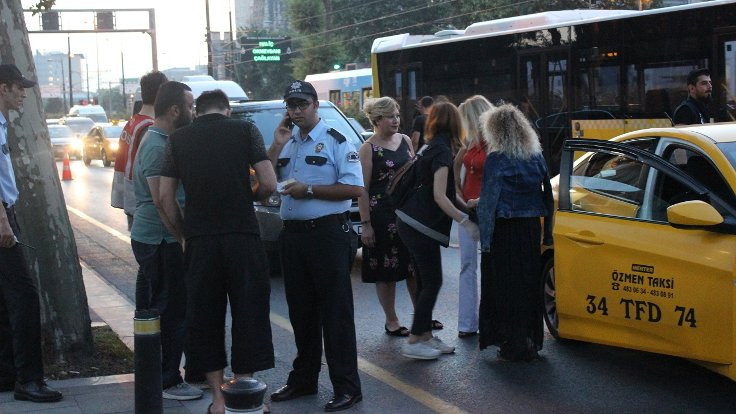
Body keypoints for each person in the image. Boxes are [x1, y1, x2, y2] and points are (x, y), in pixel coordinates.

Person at [159, 89, 276, 414]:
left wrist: (183, 234)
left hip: (200, 240)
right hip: (242, 236)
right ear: (226, 109)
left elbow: (166, 199)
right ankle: (246, 392)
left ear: (197, 111)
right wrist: (247, 195)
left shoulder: (178, 140)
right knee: (249, 312)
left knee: (205, 317)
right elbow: (268, 183)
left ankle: (219, 400)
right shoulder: (245, 130)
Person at [267, 80, 363, 412]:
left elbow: (354, 190)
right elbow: (264, 182)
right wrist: (275, 145)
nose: (295, 111)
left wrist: (308, 191)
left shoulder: (336, 141)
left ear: (315, 105)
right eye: (291, 105)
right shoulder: (287, 142)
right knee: (302, 313)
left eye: (302, 104)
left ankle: (347, 387)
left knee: (336, 314)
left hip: (327, 235)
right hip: (293, 237)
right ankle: (304, 380)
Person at [130, 81, 203, 401]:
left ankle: (171, 374)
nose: (194, 111)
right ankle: (168, 380)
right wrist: (181, 237)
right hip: (160, 238)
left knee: (171, 307)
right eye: (190, 106)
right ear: (175, 110)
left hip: (159, 236)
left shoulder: (163, 139)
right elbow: (163, 201)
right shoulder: (158, 144)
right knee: (170, 310)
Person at [395, 100, 479, 360]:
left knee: (424, 282)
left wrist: (468, 210)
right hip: (420, 226)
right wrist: (466, 222)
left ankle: (425, 336)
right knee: (433, 282)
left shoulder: (430, 146)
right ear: (456, 123)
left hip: (409, 220)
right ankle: (414, 340)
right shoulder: (442, 151)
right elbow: (441, 197)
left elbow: (450, 193)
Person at [0, 64, 62, 403]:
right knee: (24, 297)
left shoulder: (2, 122)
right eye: (17, 87)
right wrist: (3, 220)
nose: (23, 93)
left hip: (5, 214)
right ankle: (29, 380)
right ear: (2, 87)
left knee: (5, 298)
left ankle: (8, 373)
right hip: (0, 218)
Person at [476, 104, 553, 362]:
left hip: (505, 229)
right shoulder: (536, 156)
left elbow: (489, 201)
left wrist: (485, 240)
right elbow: (547, 195)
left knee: (507, 286)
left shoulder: (497, 159)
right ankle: (530, 339)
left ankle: (510, 342)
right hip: (530, 228)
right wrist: (547, 233)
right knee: (528, 284)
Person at [358, 97, 416, 337]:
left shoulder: (404, 140)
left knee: (414, 267)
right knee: (386, 269)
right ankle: (391, 321)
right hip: (382, 216)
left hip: (409, 214)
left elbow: (414, 173)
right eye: (391, 116)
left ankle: (421, 316)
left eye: (397, 115)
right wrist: (366, 225)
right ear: (377, 119)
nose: (396, 120)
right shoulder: (368, 148)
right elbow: (362, 188)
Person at [453, 95, 494, 339]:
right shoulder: (469, 142)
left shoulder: (495, 142)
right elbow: (456, 166)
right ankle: (467, 324)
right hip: (468, 211)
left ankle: (489, 322)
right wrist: (459, 193)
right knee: (467, 266)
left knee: (489, 266)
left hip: (488, 210)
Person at [111, 71, 168, 230]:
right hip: (143, 205)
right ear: (161, 94)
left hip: (131, 201)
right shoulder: (149, 128)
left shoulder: (133, 122)